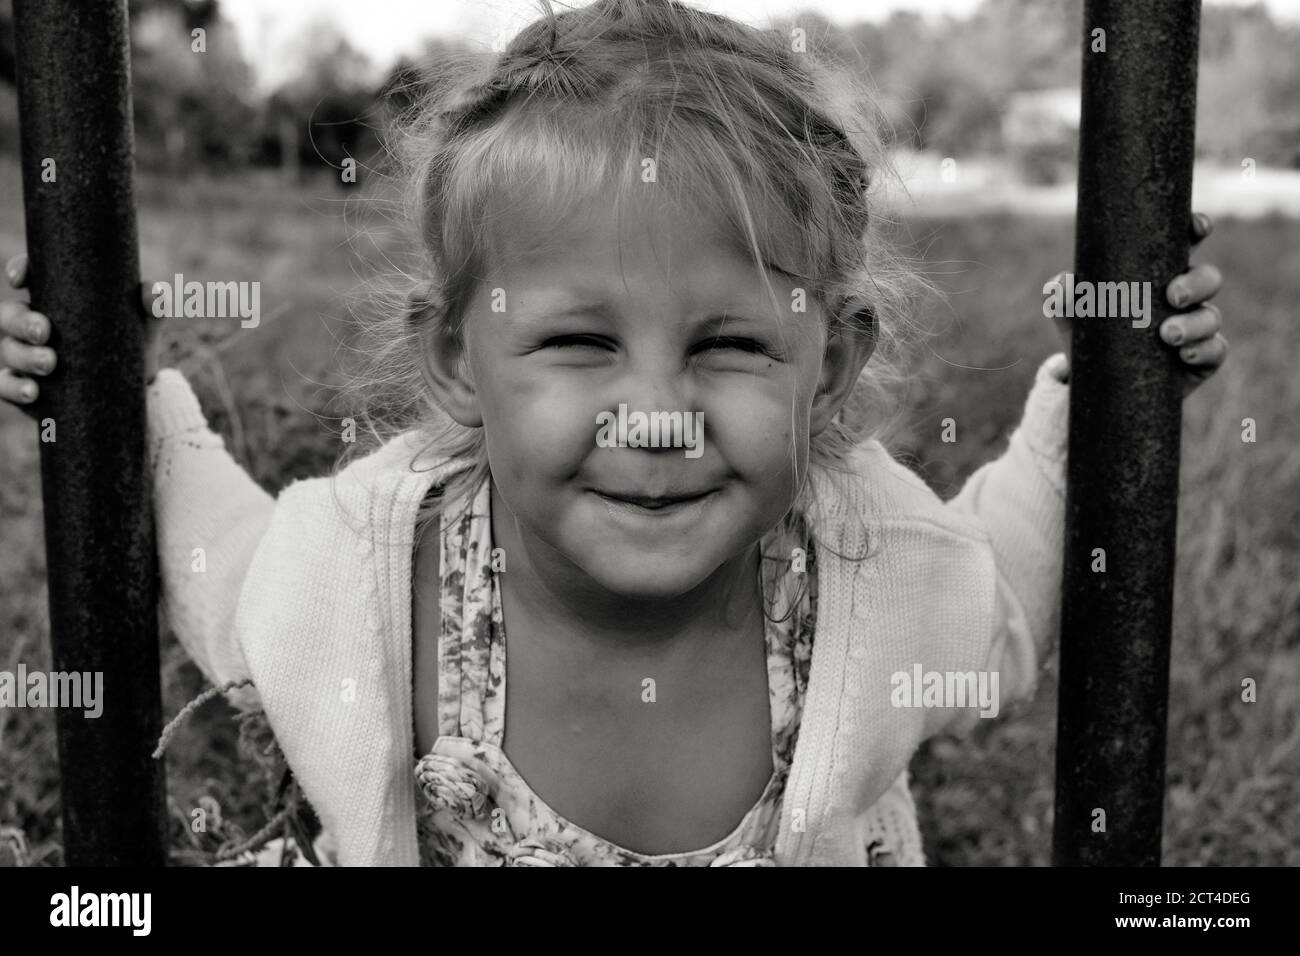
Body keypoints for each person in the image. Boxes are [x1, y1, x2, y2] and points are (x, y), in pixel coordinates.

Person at [0, 0, 1227, 866]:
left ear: (831, 360)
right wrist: (116, 389)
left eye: (730, 344)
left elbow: (1006, 585)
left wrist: (1114, 395)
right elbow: (218, 559)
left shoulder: (876, 574)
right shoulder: (362, 583)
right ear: (456, 357)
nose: (653, 414)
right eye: (580, 342)